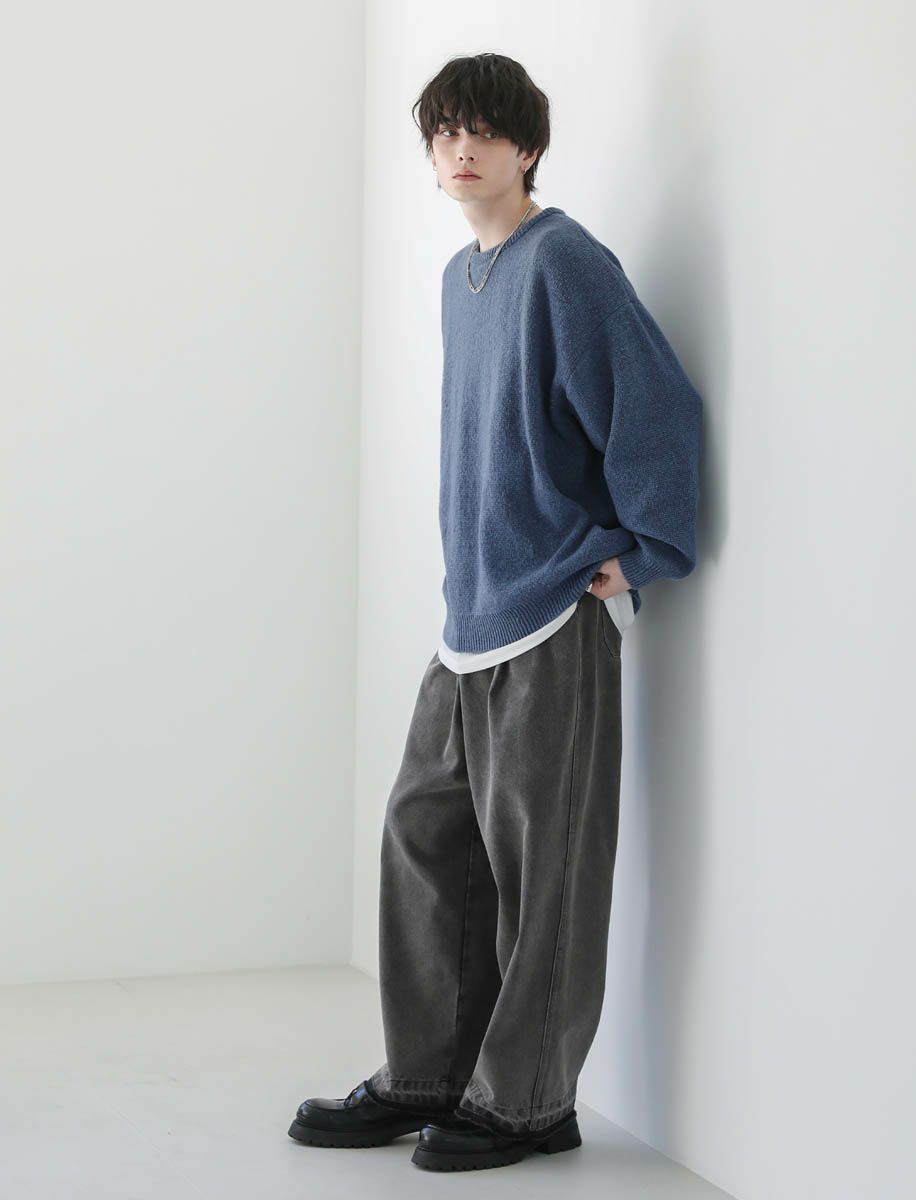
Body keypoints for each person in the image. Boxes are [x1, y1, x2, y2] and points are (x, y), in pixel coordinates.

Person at [288, 51, 702, 1172]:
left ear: (527, 146)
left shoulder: (564, 262)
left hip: (552, 615)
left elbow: (656, 404)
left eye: (482, 130)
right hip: (467, 616)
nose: (460, 149)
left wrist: (642, 550)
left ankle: (527, 1102)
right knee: (425, 837)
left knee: (544, 870)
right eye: (444, 133)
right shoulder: (459, 279)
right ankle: (432, 1075)